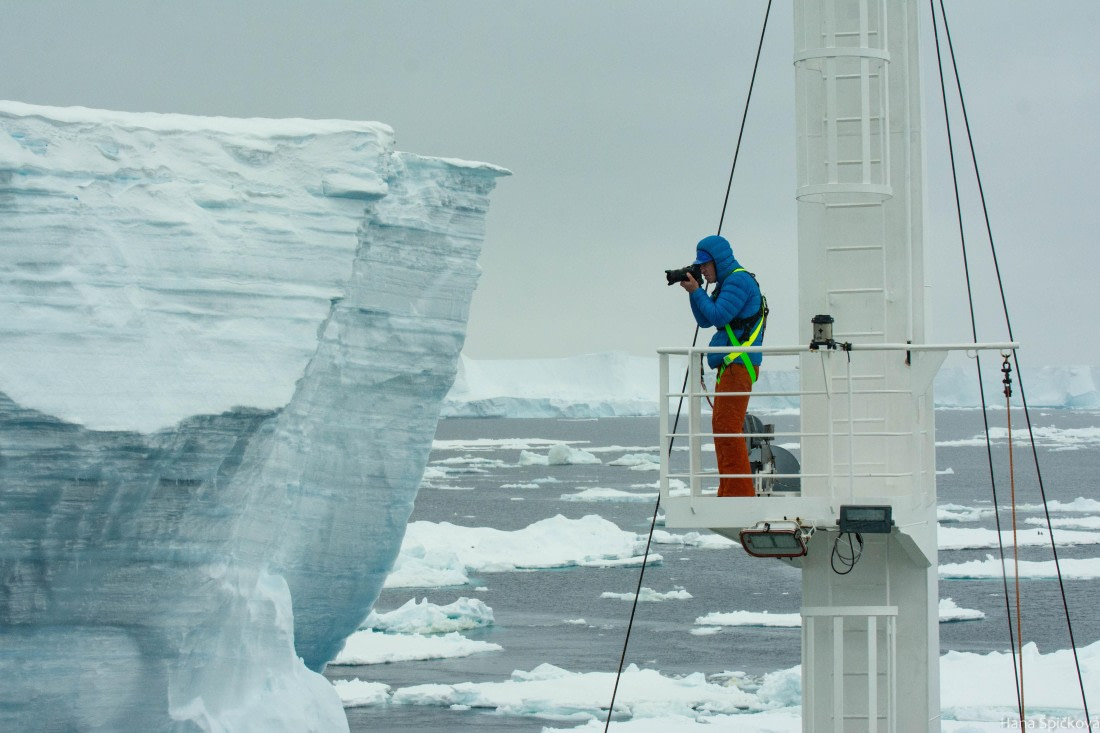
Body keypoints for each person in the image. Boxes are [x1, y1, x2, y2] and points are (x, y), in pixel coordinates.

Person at [679, 234, 766, 497]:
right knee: (722, 425)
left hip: (739, 365)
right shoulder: (728, 283)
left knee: (727, 426)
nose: (702, 270)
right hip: (730, 365)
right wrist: (694, 294)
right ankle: (729, 488)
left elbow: (718, 315)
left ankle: (738, 492)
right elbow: (705, 321)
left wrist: (696, 291)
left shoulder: (738, 281)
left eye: (705, 265)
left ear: (719, 261)